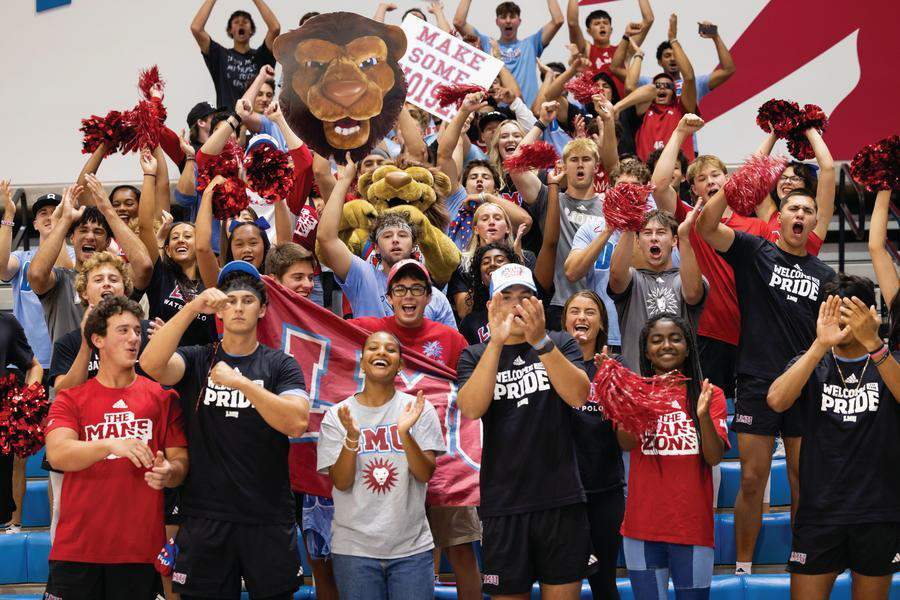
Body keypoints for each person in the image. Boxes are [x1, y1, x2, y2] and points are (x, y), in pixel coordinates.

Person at [140, 262, 310, 600]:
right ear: (219, 310)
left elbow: (296, 421)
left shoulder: (280, 364)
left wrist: (242, 384)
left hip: (268, 515)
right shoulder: (199, 358)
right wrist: (192, 307)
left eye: (248, 301)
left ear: (262, 309)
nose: (238, 307)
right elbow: (151, 365)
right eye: (230, 301)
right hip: (205, 517)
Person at [697, 182, 836, 576]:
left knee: (801, 480)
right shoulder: (755, 251)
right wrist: (731, 187)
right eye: (793, 208)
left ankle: (802, 562)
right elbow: (707, 227)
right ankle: (743, 567)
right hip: (757, 378)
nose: (800, 215)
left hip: (805, 384)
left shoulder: (824, 274)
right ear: (780, 218)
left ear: (813, 222)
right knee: (753, 479)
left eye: (808, 210)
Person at [457, 264, 594, 599]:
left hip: (560, 499)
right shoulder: (474, 354)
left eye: (526, 297)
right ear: (491, 306)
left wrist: (541, 342)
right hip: (503, 503)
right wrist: (496, 344)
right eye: (507, 298)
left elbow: (579, 395)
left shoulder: (560, 342)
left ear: (538, 304)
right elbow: (471, 408)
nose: (517, 306)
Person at [44, 295, 188, 600]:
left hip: (139, 552)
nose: (134, 338)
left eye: (137, 330)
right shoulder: (71, 398)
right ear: (97, 339)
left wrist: (168, 472)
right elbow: (58, 454)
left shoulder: (164, 398)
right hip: (77, 550)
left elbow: (179, 465)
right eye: (123, 331)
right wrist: (110, 443)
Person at [768, 278, 900, 600]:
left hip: (877, 512)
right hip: (819, 512)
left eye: (850, 311)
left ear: (869, 313)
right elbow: (776, 400)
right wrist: (818, 346)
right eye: (834, 311)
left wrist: (874, 344)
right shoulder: (812, 362)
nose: (842, 320)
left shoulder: (887, 362)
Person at [317, 331, 446, 599]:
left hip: (411, 549)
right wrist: (352, 438)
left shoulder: (418, 409)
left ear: (400, 364)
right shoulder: (337, 414)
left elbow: (424, 474)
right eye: (373, 348)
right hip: (354, 550)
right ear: (362, 361)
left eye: (390, 349)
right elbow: (341, 482)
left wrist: (404, 434)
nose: (381, 353)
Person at [651, 115, 771, 397]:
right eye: (702, 179)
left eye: (715, 175)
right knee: (711, 415)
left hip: (754, 335)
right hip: (709, 336)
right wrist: (679, 133)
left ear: (727, 180)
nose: (710, 181)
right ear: (693, 190)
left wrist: (773, 136)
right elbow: (658, 185)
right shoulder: (690, 220)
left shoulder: (757, 227)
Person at [617, 314, 728, 600]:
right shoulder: (637, 394)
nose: (666, 345)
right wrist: (628, 399)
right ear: (646, 351)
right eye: (657, 340)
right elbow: (625, 441)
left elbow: (713, 457)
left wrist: (702, 416)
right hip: (642, 529)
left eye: (675, 338)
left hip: (691, 529)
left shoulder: (709, 395)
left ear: (688, 347)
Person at [316, 158, 456, 327]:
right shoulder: (362, 276)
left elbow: (451, 346)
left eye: (403, 235)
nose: (395, 239)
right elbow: (326, 238)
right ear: (375, 246)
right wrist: (344, 181)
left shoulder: (435, 297)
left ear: (414, 244)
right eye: (387, 235)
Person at [513, 129, 616, 329]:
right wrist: (540, 123)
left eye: (586, 159)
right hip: (559, 304)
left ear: (596, 167)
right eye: (574, 159)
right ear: (563, 166)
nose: (579, 164)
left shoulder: (609, 207)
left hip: (599, 305)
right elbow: (515, 164)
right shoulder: (549, 198)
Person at [28, 183, 150, 345]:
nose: (90, 237)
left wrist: (108, 211)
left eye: (98, 231)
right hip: (68, 369)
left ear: (108, 242)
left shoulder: (117, 281)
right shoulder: (60, 281)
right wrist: (64, 220)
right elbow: (36, 274)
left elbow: (144, 267)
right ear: (72, 238)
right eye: (83, 230)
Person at [563, 290, 625, 599]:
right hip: (562, 495)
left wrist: (616, 387)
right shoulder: (550, 366)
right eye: (574, 311)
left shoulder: (616, 367)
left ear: (601, 323)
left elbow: (627, 435)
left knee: (604, 583)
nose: (582, 317)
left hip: (605, 490)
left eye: (590, 312)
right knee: (563, 583)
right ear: (564, 321)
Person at [608, 205, 708, 372]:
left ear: (674, 241)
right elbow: (616, 276)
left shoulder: (684, 278)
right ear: (638, 242)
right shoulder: (632, 279)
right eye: (647, 233)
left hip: (680, 387)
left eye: (661, 232)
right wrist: (630, 227)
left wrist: (685, 237)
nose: (654, 238)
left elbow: (693, 293)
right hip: (637, 386)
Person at [453, 0, 564, 106]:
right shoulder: (488, 44)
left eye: (512, 16)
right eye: (503, 17)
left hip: (527, 113)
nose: (508, 21)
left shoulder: (531, 44)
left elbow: (558, 21)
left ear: (519, 21)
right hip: (498, 116)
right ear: (497, 22)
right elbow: (459, 22)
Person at [613, 14, 736, 107]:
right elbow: (616, 68)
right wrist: (626, 36)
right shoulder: (648, 83)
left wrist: (716, 37)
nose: (672, 59)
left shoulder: (695, 83)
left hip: (686, 140)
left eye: (675, 55)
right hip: (654, 140)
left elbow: (728, 70)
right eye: (667, 56)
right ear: (659, 62)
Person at [756, 127, 836, 255]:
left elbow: (828, 168)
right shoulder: (770, 215)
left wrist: (809, 127)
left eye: (794, 178)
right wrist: (774, 134)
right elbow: (754, 169)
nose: (787, 182)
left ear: (806, 184)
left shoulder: (814, 218)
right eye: (783, 178)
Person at [190, 0, 280, 109]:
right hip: (227, 121)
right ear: (230, 30)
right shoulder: (220, 55)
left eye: (245, 22)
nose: (241, 23)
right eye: (236, 22)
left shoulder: (261, 57)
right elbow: (196, 28)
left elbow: (275, 28)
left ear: (251, 30)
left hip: (256, 121)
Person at [0, 311, 42, 532]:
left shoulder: (7, 323)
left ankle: (13, 524)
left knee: (16, 461)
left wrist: (26, 402)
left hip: (6, 405)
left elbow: (33, 365)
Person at [566, 0, 654, 95]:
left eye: (605, 23)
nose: (602, 26)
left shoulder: (624, 50)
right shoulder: (586, 50)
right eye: (597, 23)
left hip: (623, 106)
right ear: (588, 31)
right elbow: (572, 23)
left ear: (611, 29)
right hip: (596, 105)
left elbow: (648, 20)